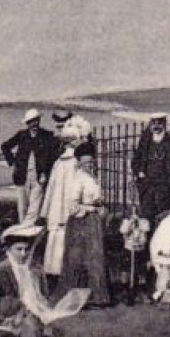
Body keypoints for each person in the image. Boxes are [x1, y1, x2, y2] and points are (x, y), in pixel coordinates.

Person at [43, 118, 112, 307]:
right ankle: (78, 294)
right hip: (83, 222)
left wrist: (100, 207)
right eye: (85, 163)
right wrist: (94, 209)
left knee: (94, 257)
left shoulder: (91, 177)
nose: (89, 165)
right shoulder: (77, 177)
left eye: (91, 162)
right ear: (80, 163)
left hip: (93, 221)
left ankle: (96, 295)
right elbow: (73, 206)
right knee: (80, 257)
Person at [1, 109, 61, 225]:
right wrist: (12, 162)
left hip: (39, 177)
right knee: (22, 207)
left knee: (35, 208)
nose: (34, 124)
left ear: (39, 121)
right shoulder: (21, 135)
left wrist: (45, 173)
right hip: (21, 175)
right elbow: (5, 146)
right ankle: (22, 231)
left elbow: (52, 156)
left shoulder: (47, 136)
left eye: (36, 121)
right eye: (31, 122)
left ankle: (29, 231)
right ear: (27, 124)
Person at [130, 114, 170, 221]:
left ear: (164, 124)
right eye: (153, 123)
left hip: (165, 188)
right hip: (147, 187)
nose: (156, 126)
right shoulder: (145, 141)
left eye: (159, 123)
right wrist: (139, 171)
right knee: (146, 218)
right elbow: (136, 160)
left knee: (163, 217)